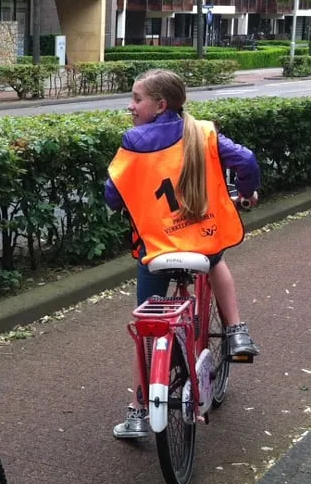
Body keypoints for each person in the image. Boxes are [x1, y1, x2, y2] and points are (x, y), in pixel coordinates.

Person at [103, 69, 261, 440]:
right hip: (201, 241)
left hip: (158, 247)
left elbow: (113, 194)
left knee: (147, 328)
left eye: (136, 98)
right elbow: (246, 161)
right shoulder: (203, 132)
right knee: (216, 259)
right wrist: (247, 191)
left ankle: (138, 412)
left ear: (159, 105)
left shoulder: (133, 140)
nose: (131, 105)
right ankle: (237, 332)